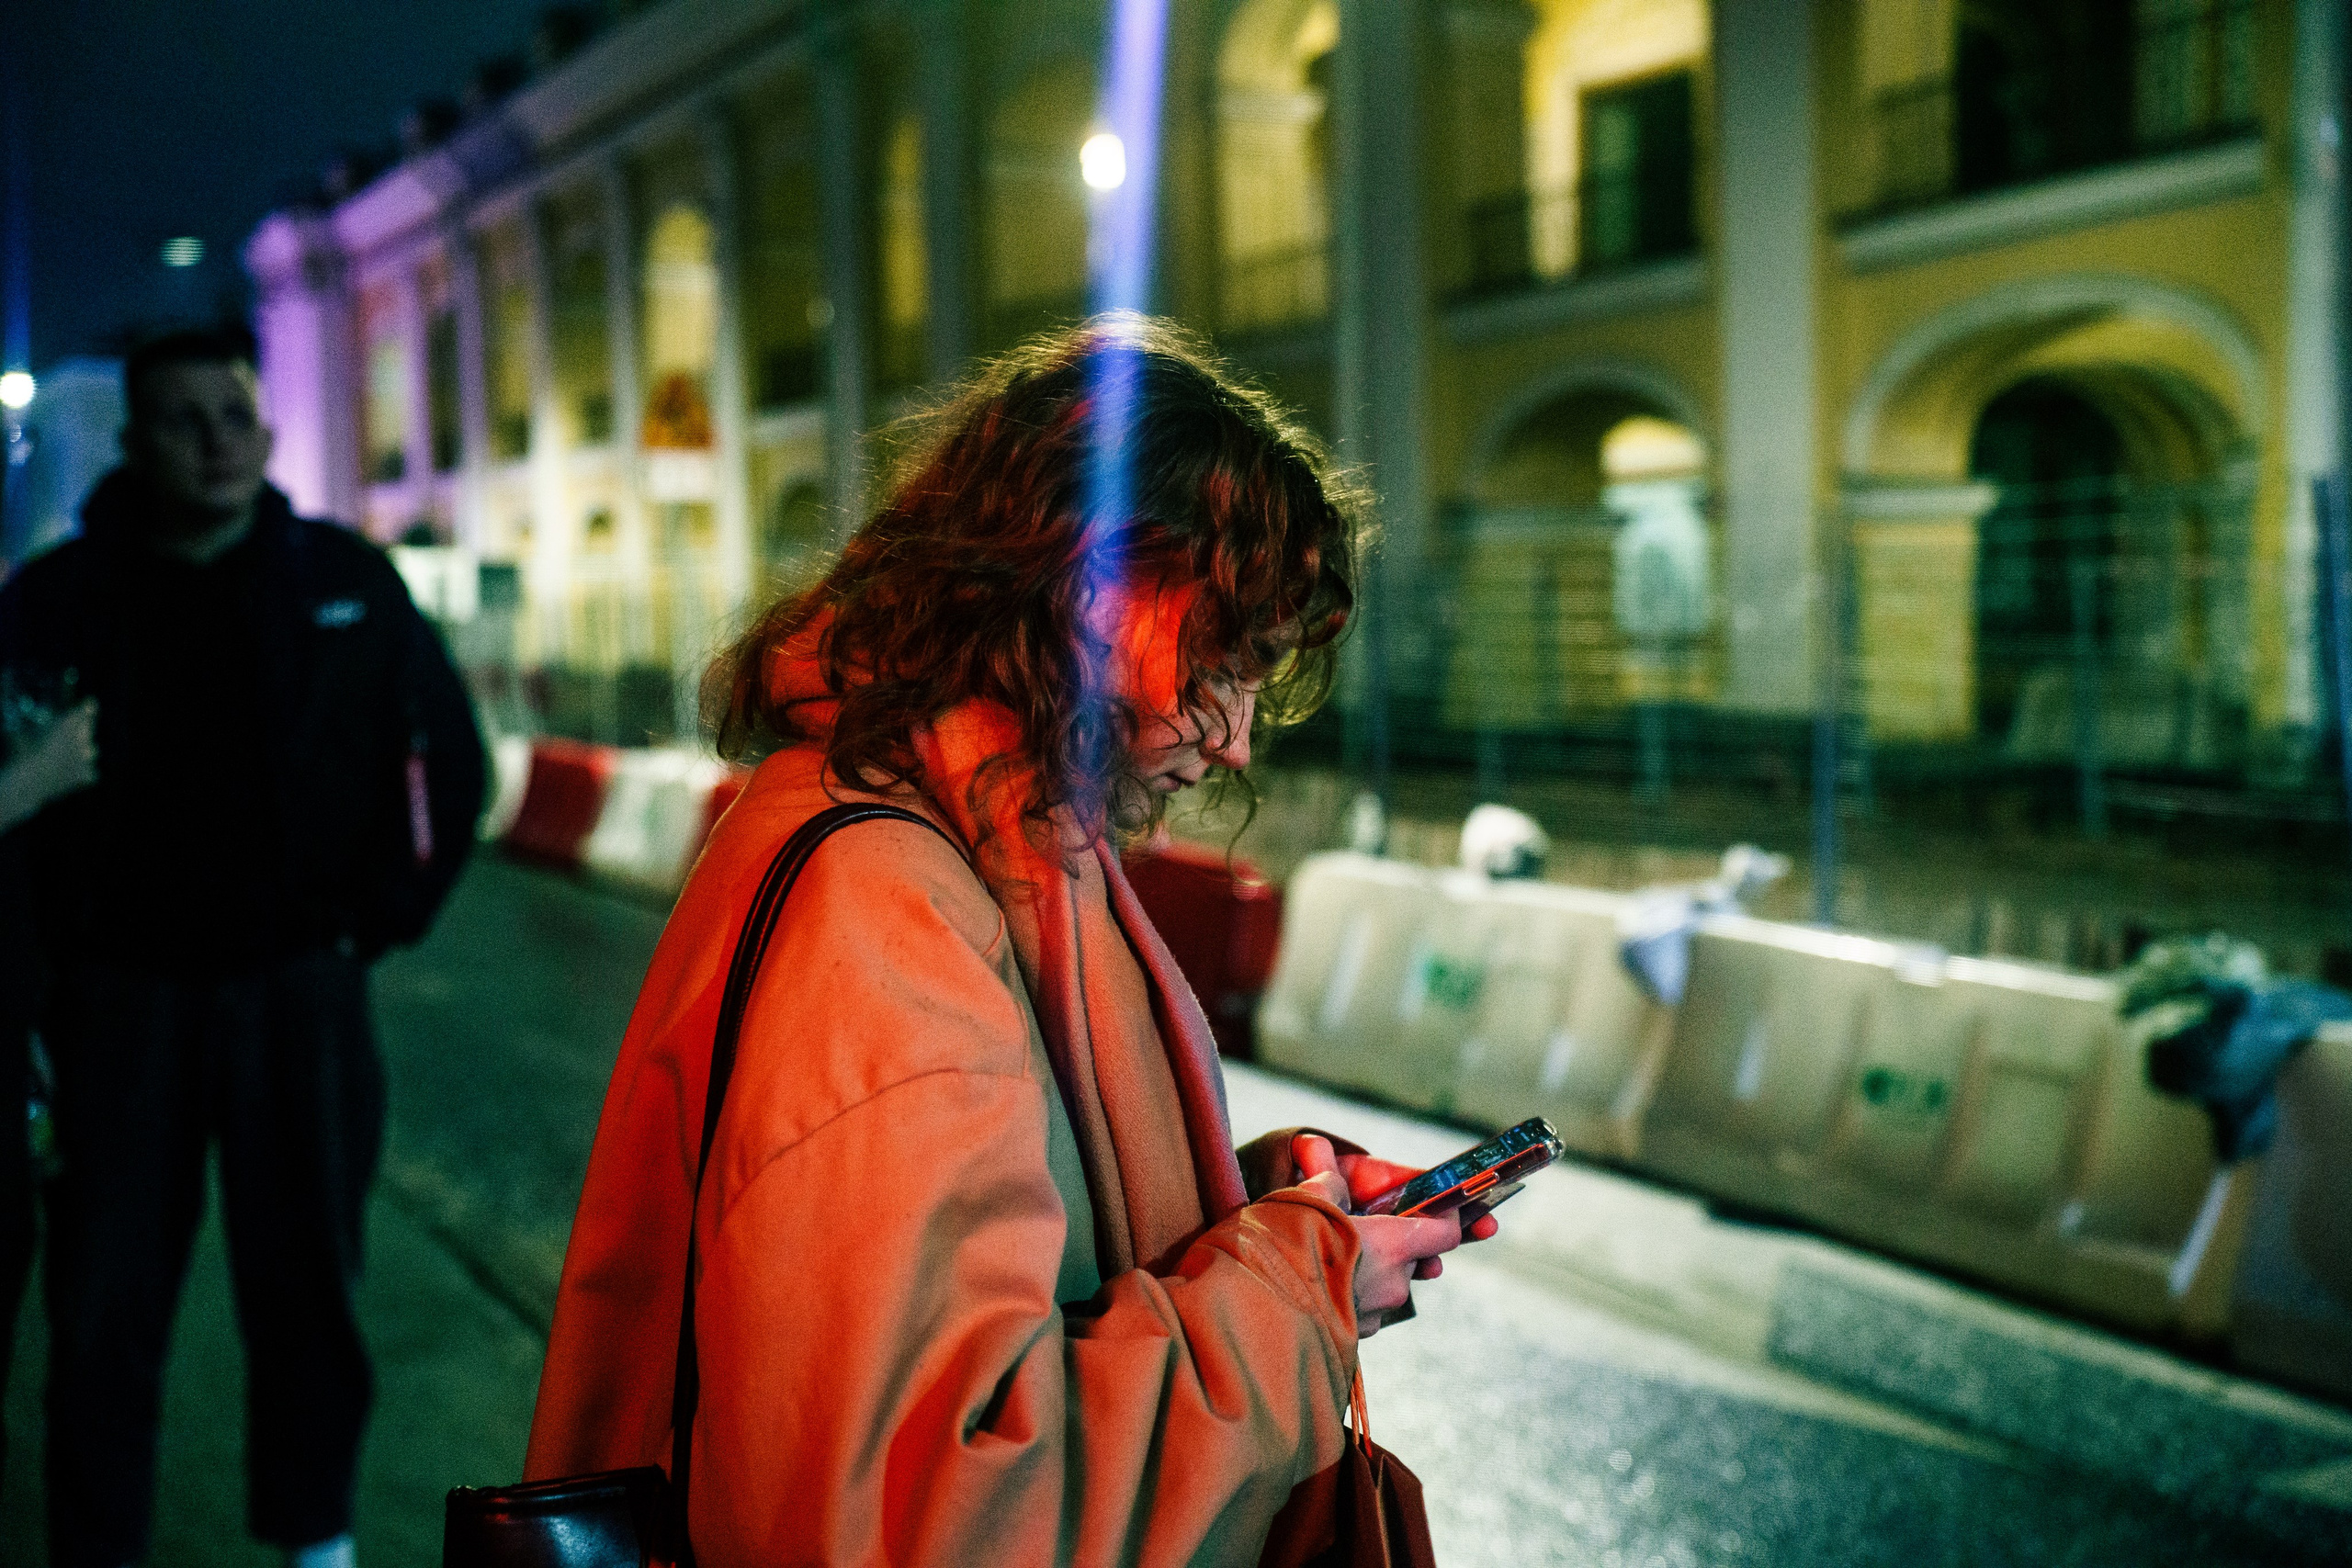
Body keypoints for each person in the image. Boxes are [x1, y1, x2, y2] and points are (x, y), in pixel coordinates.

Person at [526, 317, 1492, 1564]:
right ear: (1097, 595)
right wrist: (1296, 1295)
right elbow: (934, 1515)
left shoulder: (982, 835)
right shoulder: (889, 919)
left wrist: (1261, 1214)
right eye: (1231, 659)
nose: (1239, 736)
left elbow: (1021, 1260)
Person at [0, 325, 486, 1568]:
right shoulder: (55, 600)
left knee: (309, 1296)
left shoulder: (341, 580)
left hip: (299, 996)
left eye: (237, 415)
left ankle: (315, 1541)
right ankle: (95, 1549)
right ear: (136, 441)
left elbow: (443, 756)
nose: (220, 441)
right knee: (103, 1315)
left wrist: (375, 922)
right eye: (186, 419)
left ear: (266, 430)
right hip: (117, 1007)